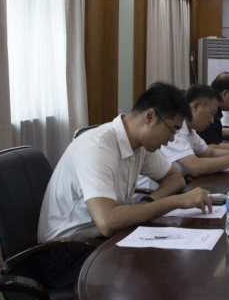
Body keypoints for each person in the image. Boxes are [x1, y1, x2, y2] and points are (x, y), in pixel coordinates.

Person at [37, 82, 213, 287]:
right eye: (171, 130)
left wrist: (149, 201)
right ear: (150, 117)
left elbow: (175, 178)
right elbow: (108, 221)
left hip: (102, 240)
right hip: (65, 254)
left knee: (174, 258)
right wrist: (176, 201)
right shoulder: (97, 148)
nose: (171, 140)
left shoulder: (140, 145)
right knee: (157, 275)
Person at [161, 84, 229, 178]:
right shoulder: (176, 129)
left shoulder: (190, 130)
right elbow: (195, 167)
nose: (212, 121)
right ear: (195, 107)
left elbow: (210, 153)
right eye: (211, 113)